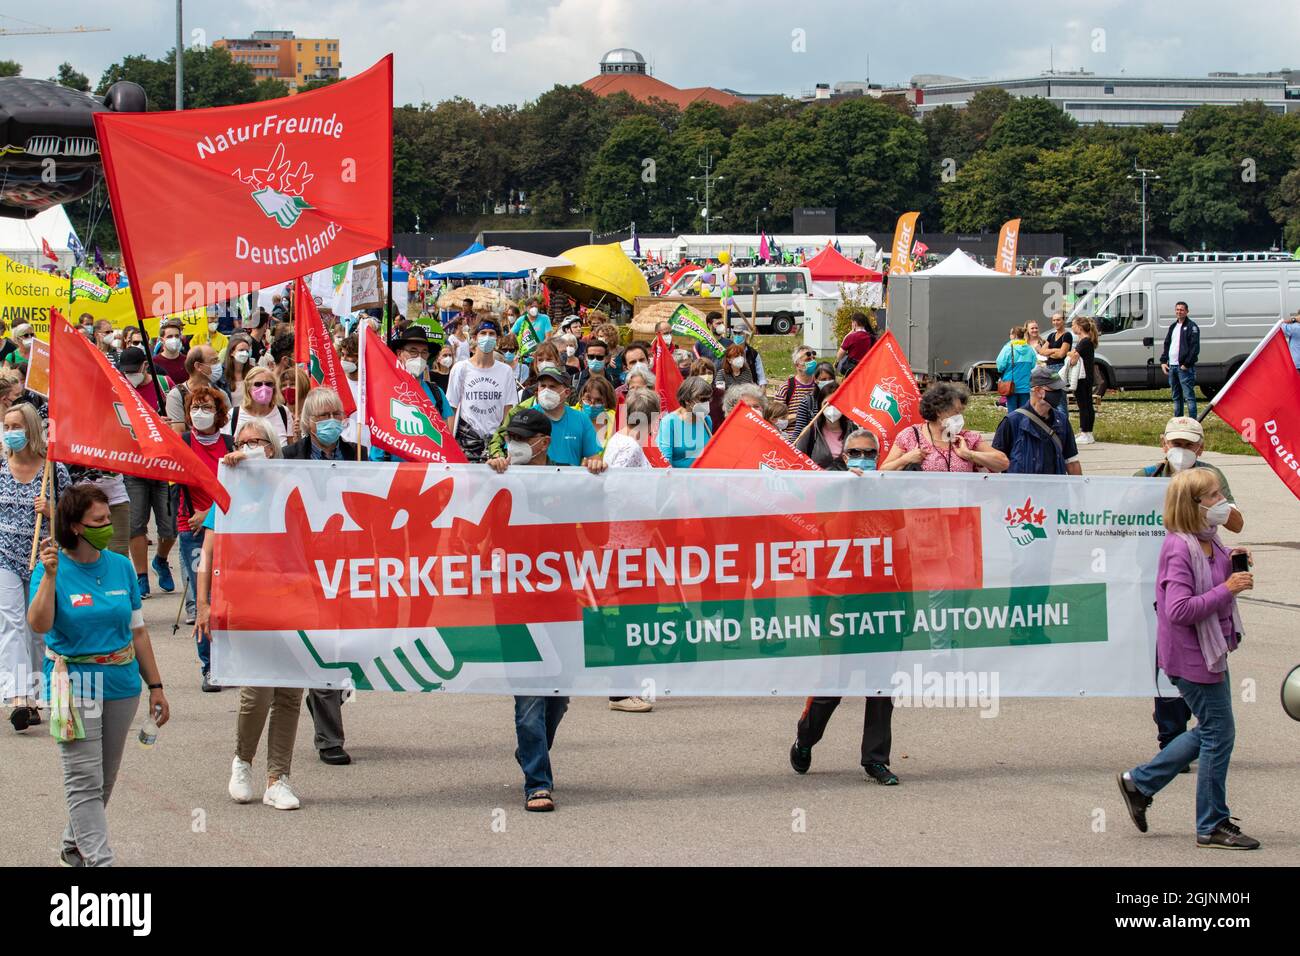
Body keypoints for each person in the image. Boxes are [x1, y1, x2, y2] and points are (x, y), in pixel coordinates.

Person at [29, 484, 171, 865]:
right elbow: (39, 624)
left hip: (122, 683)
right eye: (98, 521)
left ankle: (73, 847)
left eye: (108, 518)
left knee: (103, 781)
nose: (108, 526)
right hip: (75, 681)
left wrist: (156, 686)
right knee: (83, 780)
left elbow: (138, 630)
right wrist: (48, 578)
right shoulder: (52, 566)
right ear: (75, 526)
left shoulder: (122, 566)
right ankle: (99, 860)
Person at [1116, 469, 1257, 849]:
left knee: (1213, 731)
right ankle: (1211, 823)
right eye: (1213, 496)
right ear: (1194, 506)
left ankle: (1140, 782)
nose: (1221, 500)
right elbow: (1178, 609)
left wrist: (1233, 565)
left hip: (1210, 649)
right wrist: (1227, 589)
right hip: (1191, 655)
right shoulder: (1180, 547)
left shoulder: (1209, 539)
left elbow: (1208, 580)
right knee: (1218, 733)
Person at [493, 407, 604, 810]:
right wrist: (487, 478)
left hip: (561, 602)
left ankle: (531, 752)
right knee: (530, 699)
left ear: (543, 443)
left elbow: (600, 531)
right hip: (514, 604)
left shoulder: (571, 478)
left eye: (522, 439)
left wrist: (596, 482)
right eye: (511, 439)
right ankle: (537, 782)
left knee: (558, 694)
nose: (515, 446)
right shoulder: (498, 479)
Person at [196, 420, 304, 810]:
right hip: (248, 602)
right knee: (257, 690)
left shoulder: (293, 485)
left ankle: (279, 777)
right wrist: (204, 604)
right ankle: (243, 761)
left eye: (256, 441)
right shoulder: (228, 491)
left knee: (291, 690)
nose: (247, 447)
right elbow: (207, 553)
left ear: (271, 448)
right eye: (241, 441)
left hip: (292, 600)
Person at [280, 388, 358, 766]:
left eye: (336, 414)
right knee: (325, 649)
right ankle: (330, 740)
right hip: (307, 566)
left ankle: (325, 694)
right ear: (308, 421)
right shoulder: (288, 457)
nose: (331, 421)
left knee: (348, 652)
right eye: (323, 415)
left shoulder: (357, 454)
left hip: (353, 565)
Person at [1, 402, 70, 730]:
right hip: (4, 556)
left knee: (37, 628)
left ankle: (36, 694)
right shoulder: (0, 465)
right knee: (12, 623)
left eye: (17, 426)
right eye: (7, 426)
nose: (11, 432)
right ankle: (17, 696)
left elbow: (72, 516)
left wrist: (53, 509)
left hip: (42, 557)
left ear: (31, 430)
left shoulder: (52, 469)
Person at [600, 388, 658, 714]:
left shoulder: (618, 441)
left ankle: (624, 685)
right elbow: (616, 489)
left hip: (631, 541)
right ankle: (621, 690)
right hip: (629, 543)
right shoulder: (630, 446)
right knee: (635, 619)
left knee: (636, 617)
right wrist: (654, 500)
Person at [177, 385, 231, 677]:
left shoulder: (231, 445)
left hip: (227, 526)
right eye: (195, 408)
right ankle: (209, 665)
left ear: (219, 412)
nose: (200, 413)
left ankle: (231, 659)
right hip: (192, 530)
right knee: (203, 596)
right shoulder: (182, 443)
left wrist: (208, 512)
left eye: (207, 407)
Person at [488, 364, 606, 472]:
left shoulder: (581, 420)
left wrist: (596, 464)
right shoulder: (523, 417)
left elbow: (593, 457)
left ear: (567, 392)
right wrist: (499, 461)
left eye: (552, 386)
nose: (546, 391)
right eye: (543, 386)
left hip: (567, 488)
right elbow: (508, 454)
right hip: (528, 485)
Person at [882, 382, 1009, 474]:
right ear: (939, 411)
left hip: (962, 508)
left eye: (961, 412)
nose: (960, 417)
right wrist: (905, 460)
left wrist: (970, 455)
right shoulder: (910, 436)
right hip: (921, 508)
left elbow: (1003, 463)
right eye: (956, 412)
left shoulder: (967, 438)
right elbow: (883, 471)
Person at [991, 366, 1082, 476]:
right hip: (1021, 491)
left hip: (1054, 491)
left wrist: (1080, 491)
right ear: (1038, 391)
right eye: (1055, 389)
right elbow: (994, 463)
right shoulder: (1011, 422)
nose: (1059, 393)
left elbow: (1071, 462)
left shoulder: (1062, 421)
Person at [448, 319, 516, 463]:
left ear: (497, 339)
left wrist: (506, 444)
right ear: (474, 338)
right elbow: (452, 409)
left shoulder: (506, 371)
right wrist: (449, 445)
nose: (487, 337)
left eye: (492, 334)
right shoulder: (461, 368)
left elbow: (508, 411)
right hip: (466, 440)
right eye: (483, 333)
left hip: (496, 443)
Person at [794, 382, 858, 470]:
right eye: (826, 404)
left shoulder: (853, 431)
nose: (832, 408)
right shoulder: (810, 430)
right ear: (820, 406)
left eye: (836, 403)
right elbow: (798, 461)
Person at [228, 365, 294, 446]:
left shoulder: (283, 412)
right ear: (248, 387)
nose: (264, 388)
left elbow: (291, 450)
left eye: (269, 384)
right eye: (258, 384)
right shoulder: (234, 415)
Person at [657, 377, 714, 468]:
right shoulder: (669, 422)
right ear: (687, 400)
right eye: (702, 400)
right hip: (680, 479)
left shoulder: (706, 420)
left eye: (708, 399)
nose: (706, 403)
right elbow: (665, 461)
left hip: (704, 477)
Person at [165, 344, 222, 433]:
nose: (218, 365)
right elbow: (179, 432)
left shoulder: (219, 393)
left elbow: (227, 426)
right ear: (198, 366)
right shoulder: (176, 395)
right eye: (214, 361)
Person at [1161, 301, 1201, 419]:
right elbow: (1167, 344)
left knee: (1189, 396)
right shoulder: (1173, 326)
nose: (1179, 312)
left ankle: (1193, 423)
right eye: (1177, 309)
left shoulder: (1192, 327)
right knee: (1176, 396)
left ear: (1187, 311)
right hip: (1172, 367)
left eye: (1182, 310)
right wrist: (1163, 361)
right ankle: (1178, 421)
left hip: (1184, 368)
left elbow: (1195, 348)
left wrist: (1187, 364)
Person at [1067, 316, 1099, 444]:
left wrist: (1070, 354)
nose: (1072, 327)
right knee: (1087, 404)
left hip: (1082, 377)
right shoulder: (1085, 341)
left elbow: (1073, 357)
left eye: (1074, 325)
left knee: (1084, 405)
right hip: (1086, 377)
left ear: (1079, 327)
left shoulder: (1084, 342)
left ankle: (1086, 432)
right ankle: (1086, 432)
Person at [790, 362, 838, 438]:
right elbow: (798, 433)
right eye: (824, 379)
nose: (828, 382)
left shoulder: (841, 400)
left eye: (830, 379)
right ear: (816, 380)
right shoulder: (807, 402)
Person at [996, 326, 1036, 413]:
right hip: (1025, 386)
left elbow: (1000, 365)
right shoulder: (1030, 349)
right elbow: (1033, 365)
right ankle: (1023, 426)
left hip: (1010, 386)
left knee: (1012, 412)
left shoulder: (1007, 348)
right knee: (1025, 412)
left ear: (1013, 335)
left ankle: (1013, 426)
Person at [1038, 312, 1073, 412]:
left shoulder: (1067, 335)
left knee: (1060, 399)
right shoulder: (1051, 335)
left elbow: (1061, 354)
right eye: (1054, 320)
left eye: (1058, 320)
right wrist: (1055, 350)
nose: (1056, 322)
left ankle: (1063, 424)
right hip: (1049, 369)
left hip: (1060, 368)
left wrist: (1049, 352)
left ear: (1063, 321)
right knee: (1050, 398)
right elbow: (1041, 351)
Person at [576, 375, 617, 450]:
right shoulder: (568, 416)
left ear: (607, 402)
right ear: (582, 397)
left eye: (598, 400)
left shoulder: (615, 420)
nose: (591, 405)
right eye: (588, 399)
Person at [781, 346, 820, 416]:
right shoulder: (786, 388)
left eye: (813, 358)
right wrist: (802, 416)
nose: (813, 362)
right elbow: (776, 419)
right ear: (797, 365)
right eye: (808, 359)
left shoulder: (819, 385)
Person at [835, 311, 875, 376]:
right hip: (866, 370)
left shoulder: (851, 337)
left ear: (855, 323)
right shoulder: (872, 338)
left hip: (851, 371)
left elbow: (839, 356)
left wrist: (848, 335)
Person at [221, 334, 256, 406]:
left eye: (247, 351)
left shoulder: (253, 372)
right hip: (231, 415)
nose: (245, 353)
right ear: (232, 352)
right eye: (241, 350)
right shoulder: (222, 375)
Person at [152, 319, 189, 383]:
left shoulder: (188, 361)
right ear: (161, 340)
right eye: (170, 336)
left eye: (177, 336)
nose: (174, 339)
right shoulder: (153, 363)